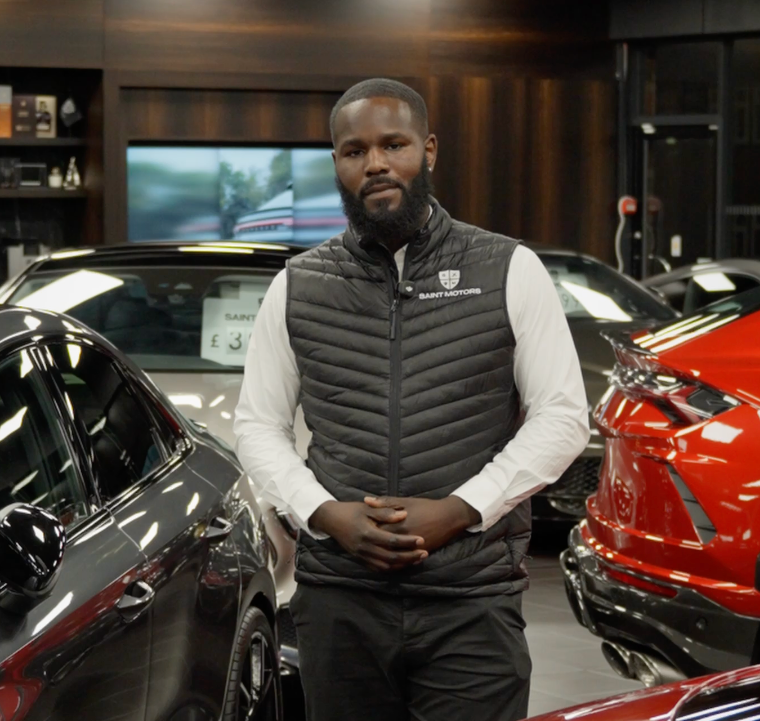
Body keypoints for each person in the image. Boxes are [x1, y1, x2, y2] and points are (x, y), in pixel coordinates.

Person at [233, 78, 589, 721]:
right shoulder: (298, 285)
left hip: (471, 600)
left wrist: (461, 510)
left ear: (428, 150)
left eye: (393, 145)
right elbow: (257, 424)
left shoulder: (508, 268)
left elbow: (563, 417)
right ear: (337, 164)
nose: (375, 163)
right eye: (354, 151)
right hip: (339, 599)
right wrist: (325, 515)